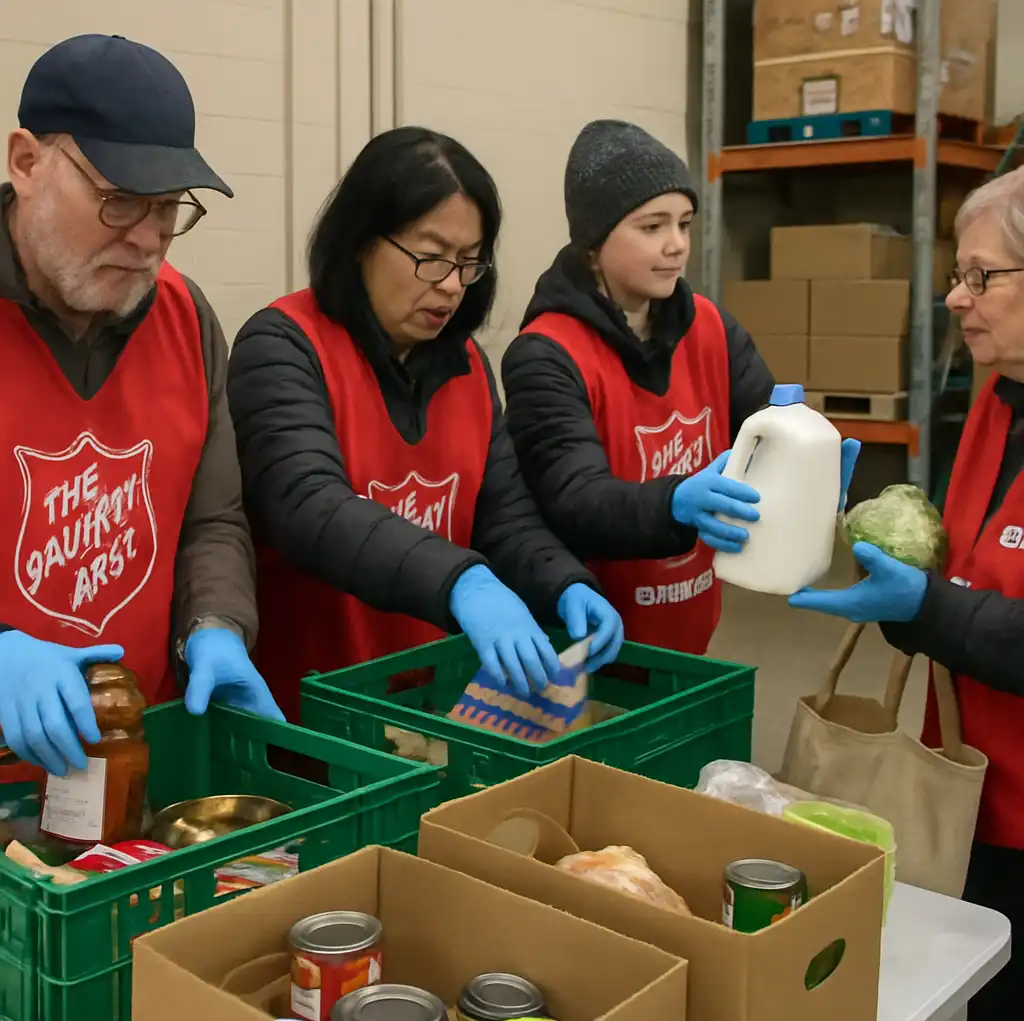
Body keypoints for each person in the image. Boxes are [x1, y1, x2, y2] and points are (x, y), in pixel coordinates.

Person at [227, 127, 623, 721]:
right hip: (307, 717)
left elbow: (505, 518)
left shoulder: (465, 366)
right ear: (361, 240)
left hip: (428, 711)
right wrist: (466, 584)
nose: (450, 286)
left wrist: (564, 581)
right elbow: (309, 507)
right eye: (430, 257)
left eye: (468, 263)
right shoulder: (283, 346)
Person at [0, 35, 284, 780]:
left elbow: (210, 519)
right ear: (25, 161)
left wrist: (214, 627)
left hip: (134, 760)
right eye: (119, 200)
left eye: (166, 209)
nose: (146, 239)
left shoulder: (186, 319)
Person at [789, 166, 1024, 1021]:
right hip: (970, 785)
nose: (958, 299)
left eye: (981, 276)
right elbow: (962, 570)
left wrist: (923, 608)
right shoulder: (995, 396)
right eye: (957, 275)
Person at [502, 119, 858, 654]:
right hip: (588, 635)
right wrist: (673, 504)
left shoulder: (710, 328)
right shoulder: (546, 353)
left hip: (690, 624)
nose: (676, 246)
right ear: (594, 243)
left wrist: (812, 476)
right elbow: (573, 497)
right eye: (651, 227)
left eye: (685, 224)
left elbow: (765, 428)